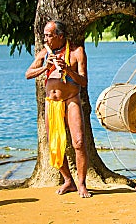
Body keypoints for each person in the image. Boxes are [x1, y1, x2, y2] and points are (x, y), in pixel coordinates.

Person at [25, 20, 91, 198]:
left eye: (49, 35)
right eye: (45, 34)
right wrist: (46, 66)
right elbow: (28, 74)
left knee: (78, 142)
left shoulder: (77, 52)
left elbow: (84, 82)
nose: (45, 38)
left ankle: (82, 183)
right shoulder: (45, 53)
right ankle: (68, 180)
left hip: (71, 100)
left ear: (60, 36)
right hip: (51, 103)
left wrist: (68, 70)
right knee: (55, 144)